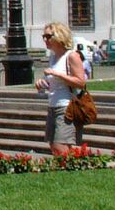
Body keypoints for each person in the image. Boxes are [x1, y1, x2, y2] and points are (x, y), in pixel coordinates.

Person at [35, 22, 89, 155]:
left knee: (60, 147)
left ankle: (76, 167)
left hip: (66, 106)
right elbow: (52, 83)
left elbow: (81, 82)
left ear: (60, 35)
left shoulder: (72, 56)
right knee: (54, 146)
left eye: (48, 36)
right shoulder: (53, 57)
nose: (45, 40)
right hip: (52, 105)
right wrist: (42, 83)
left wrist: (56, 74)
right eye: (44, 36)